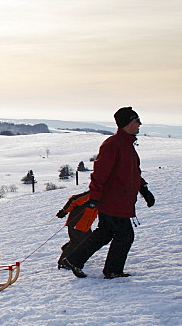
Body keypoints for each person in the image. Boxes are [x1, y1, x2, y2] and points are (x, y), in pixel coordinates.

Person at [60, 107, 155, 279]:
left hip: (120, 201)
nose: (140, 124)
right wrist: (95, 198)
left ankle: (74, 260)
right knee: (125, 236)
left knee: (104, 233)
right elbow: (99, 174)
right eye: (136, 121)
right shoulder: (113, 145)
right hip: (114, 201)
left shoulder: (127, 145)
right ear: (127, 124)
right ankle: (112, 270)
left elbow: (132, 173)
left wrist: (144, 189)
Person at [55, 191, 97, 268]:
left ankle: (67, 248)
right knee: (76, 242)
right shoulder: (91, 194)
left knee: (87, 239)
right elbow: (74, 200)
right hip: (76, 223)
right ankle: (63, 263)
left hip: (85, 224)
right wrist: (64, 211)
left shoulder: (103, 197)